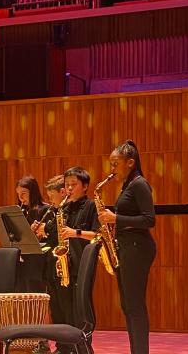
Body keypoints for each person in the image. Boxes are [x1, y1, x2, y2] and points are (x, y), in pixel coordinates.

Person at [98, 140, 156, 354]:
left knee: (135, 305)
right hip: (126, 246)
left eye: (115, 164)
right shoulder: (127, 185)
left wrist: (115, 218)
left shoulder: (140, 184)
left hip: (137, 247)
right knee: (127, 305)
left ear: (130, 162)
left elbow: (149, 220)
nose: (111, 170)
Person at [57, 167, 100, 354]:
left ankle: (83, 348)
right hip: (67, 264)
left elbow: (98, 235)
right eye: (67, 185)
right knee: (65, 310)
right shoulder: (64, 208)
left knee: (81, 311)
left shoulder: (91, 206)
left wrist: (76, 233)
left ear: (85, 186)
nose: (69, 188)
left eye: (74, 184)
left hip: (83, 264)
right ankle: (66, 348)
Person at [32, 175, 73, 354]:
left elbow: (62, 233)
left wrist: (46, 229)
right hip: (52, 265)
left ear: (62, 192)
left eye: (52, 197)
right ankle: (61, 346)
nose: (50, 201)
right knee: (56, 308)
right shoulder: (55, 211)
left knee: (66, 308)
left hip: (66, 266)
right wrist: (41, 232)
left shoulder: (67, 210)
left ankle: (70, 347)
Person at [15, 175, 49, 293]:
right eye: (18, 194)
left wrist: (33, 233)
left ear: (33, 192)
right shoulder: (20, 212)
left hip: (37, 262)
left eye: (23, 193)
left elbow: (46, 237)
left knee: (35, 295)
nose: (20, 197)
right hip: (22, 260)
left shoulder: (45, 209)